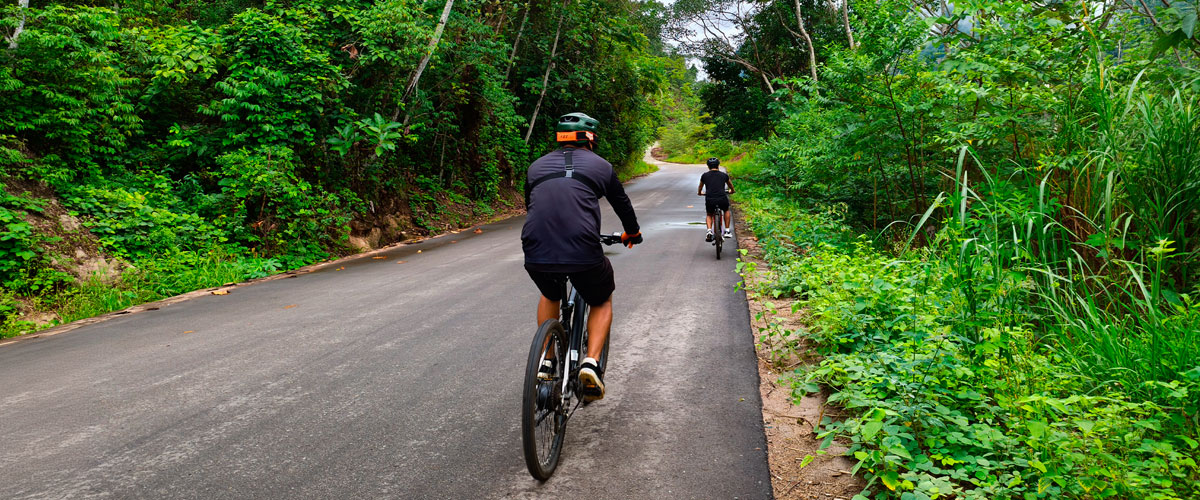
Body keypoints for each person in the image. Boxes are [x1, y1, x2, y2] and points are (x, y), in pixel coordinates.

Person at [521, 112, 642, 402]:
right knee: (601, 299)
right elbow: (622, 205)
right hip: (582, 249)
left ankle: (546, 360)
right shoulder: (601, 166)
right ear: (590, 138)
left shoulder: (536, 166)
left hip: (535, 246)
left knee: (550, 293)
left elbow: (532, 205)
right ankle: (590, 363)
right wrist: (632, 233)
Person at [698, 157, 735, 241]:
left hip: (710, 198)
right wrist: (732, 190)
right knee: (726, 210)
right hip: (722, 198)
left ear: (708, 166)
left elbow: (700, 187)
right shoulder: (724, 175)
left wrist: (700, 193)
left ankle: (709, 231)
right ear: (718, 165)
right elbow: (730, 185)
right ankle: (727, 230)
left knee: (709, 214)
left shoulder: (705, 175)